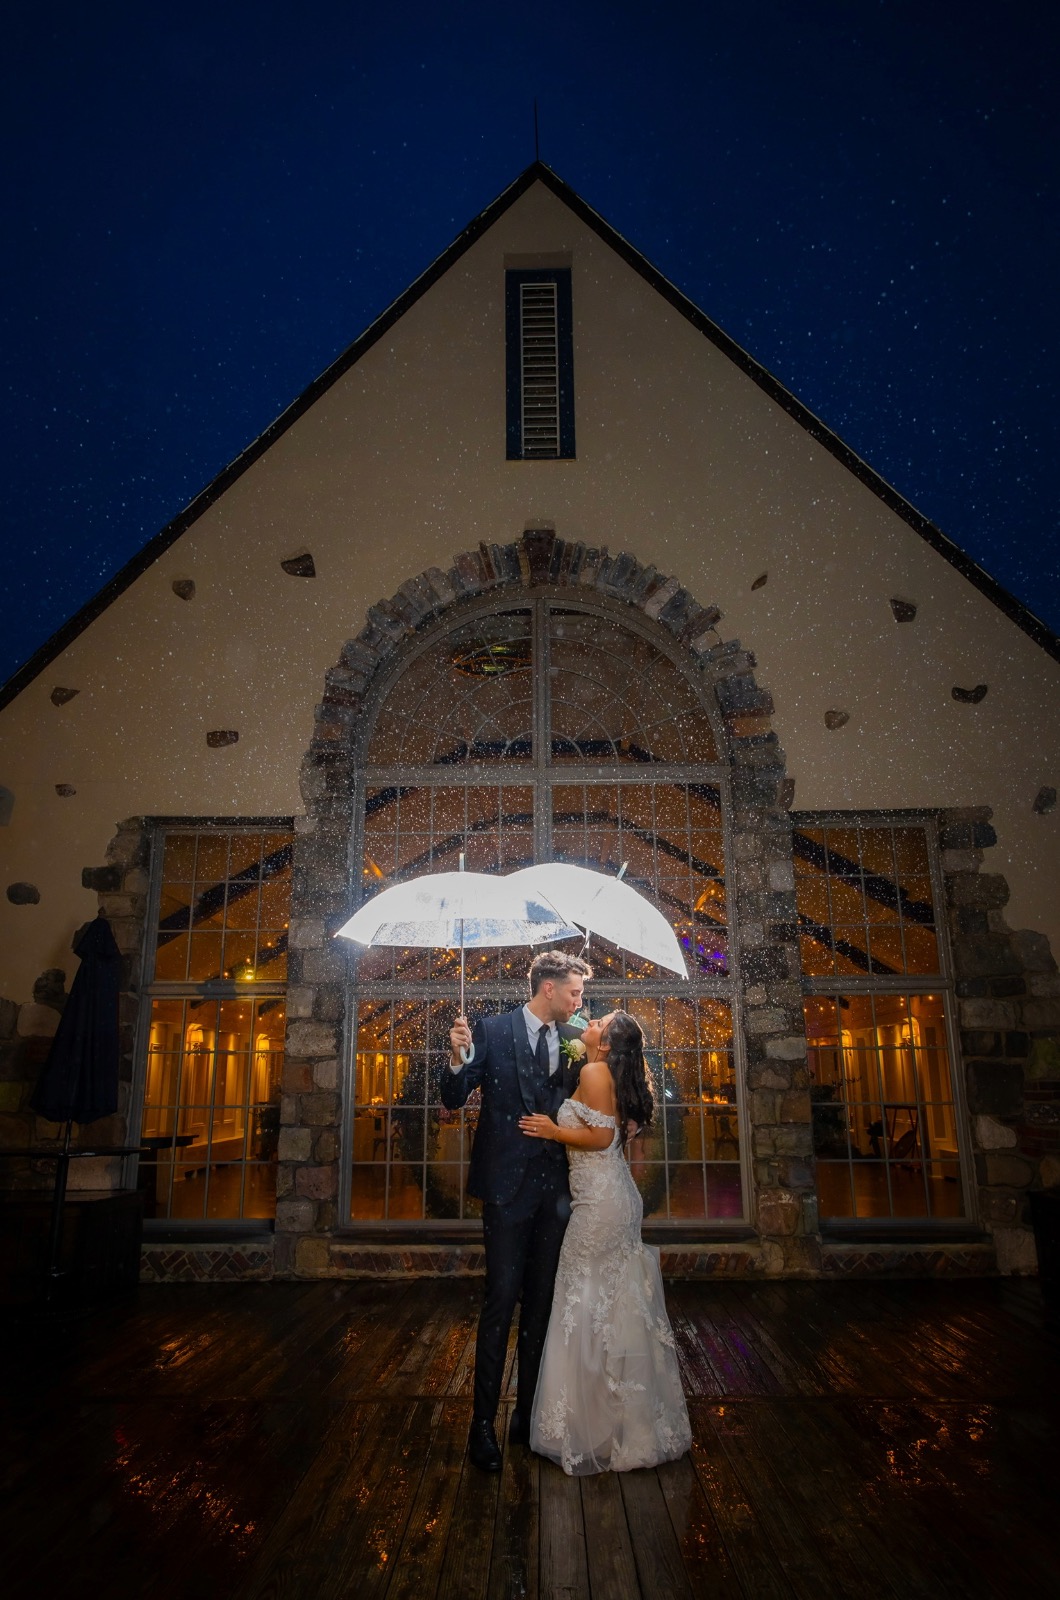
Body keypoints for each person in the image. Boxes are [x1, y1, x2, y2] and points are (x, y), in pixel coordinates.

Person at [518, 1010, 692, 1475]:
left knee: (584, 1299)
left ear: (608, 1043)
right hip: (608, 1198)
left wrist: (554, 1130)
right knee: (604, 1301)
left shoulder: (596, 1071)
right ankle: (613, 1420)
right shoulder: (601, 1071)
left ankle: (592, 1425)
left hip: (600, 1204)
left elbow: (602, 1136)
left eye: (600, 1019)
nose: (589, 1018)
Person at [444, 949, 592, 1472]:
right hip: (506, 1189)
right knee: (501, 1300)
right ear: (547, 987)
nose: (580, 1001)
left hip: (556, 1189)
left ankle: (527, 1417)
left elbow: (585, 1102)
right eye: (574, 991)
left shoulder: (575, 1039)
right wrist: (458, 1058)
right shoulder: (490, 1029)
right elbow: (456, 1097)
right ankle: (481, 1425)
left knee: (541, 1305)